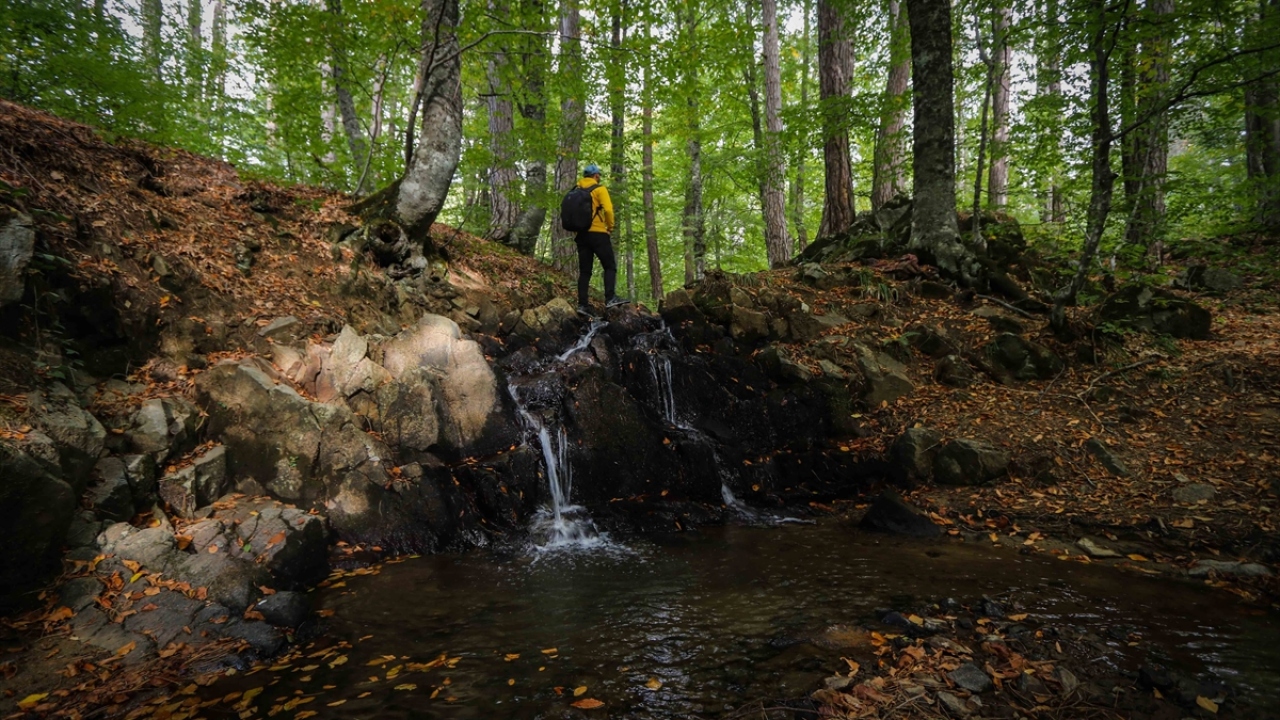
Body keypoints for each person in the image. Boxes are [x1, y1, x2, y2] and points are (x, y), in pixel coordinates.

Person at [573, 164, 628, 317]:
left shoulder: (576, 191)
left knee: (585, 272)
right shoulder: (599, 189)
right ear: (596, 176)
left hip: (581, 236)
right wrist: (609, 227)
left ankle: (582, 305)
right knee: (609, 266)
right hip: (598, 233)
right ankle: (610, 298)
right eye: (599, 176)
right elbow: (609, 210)